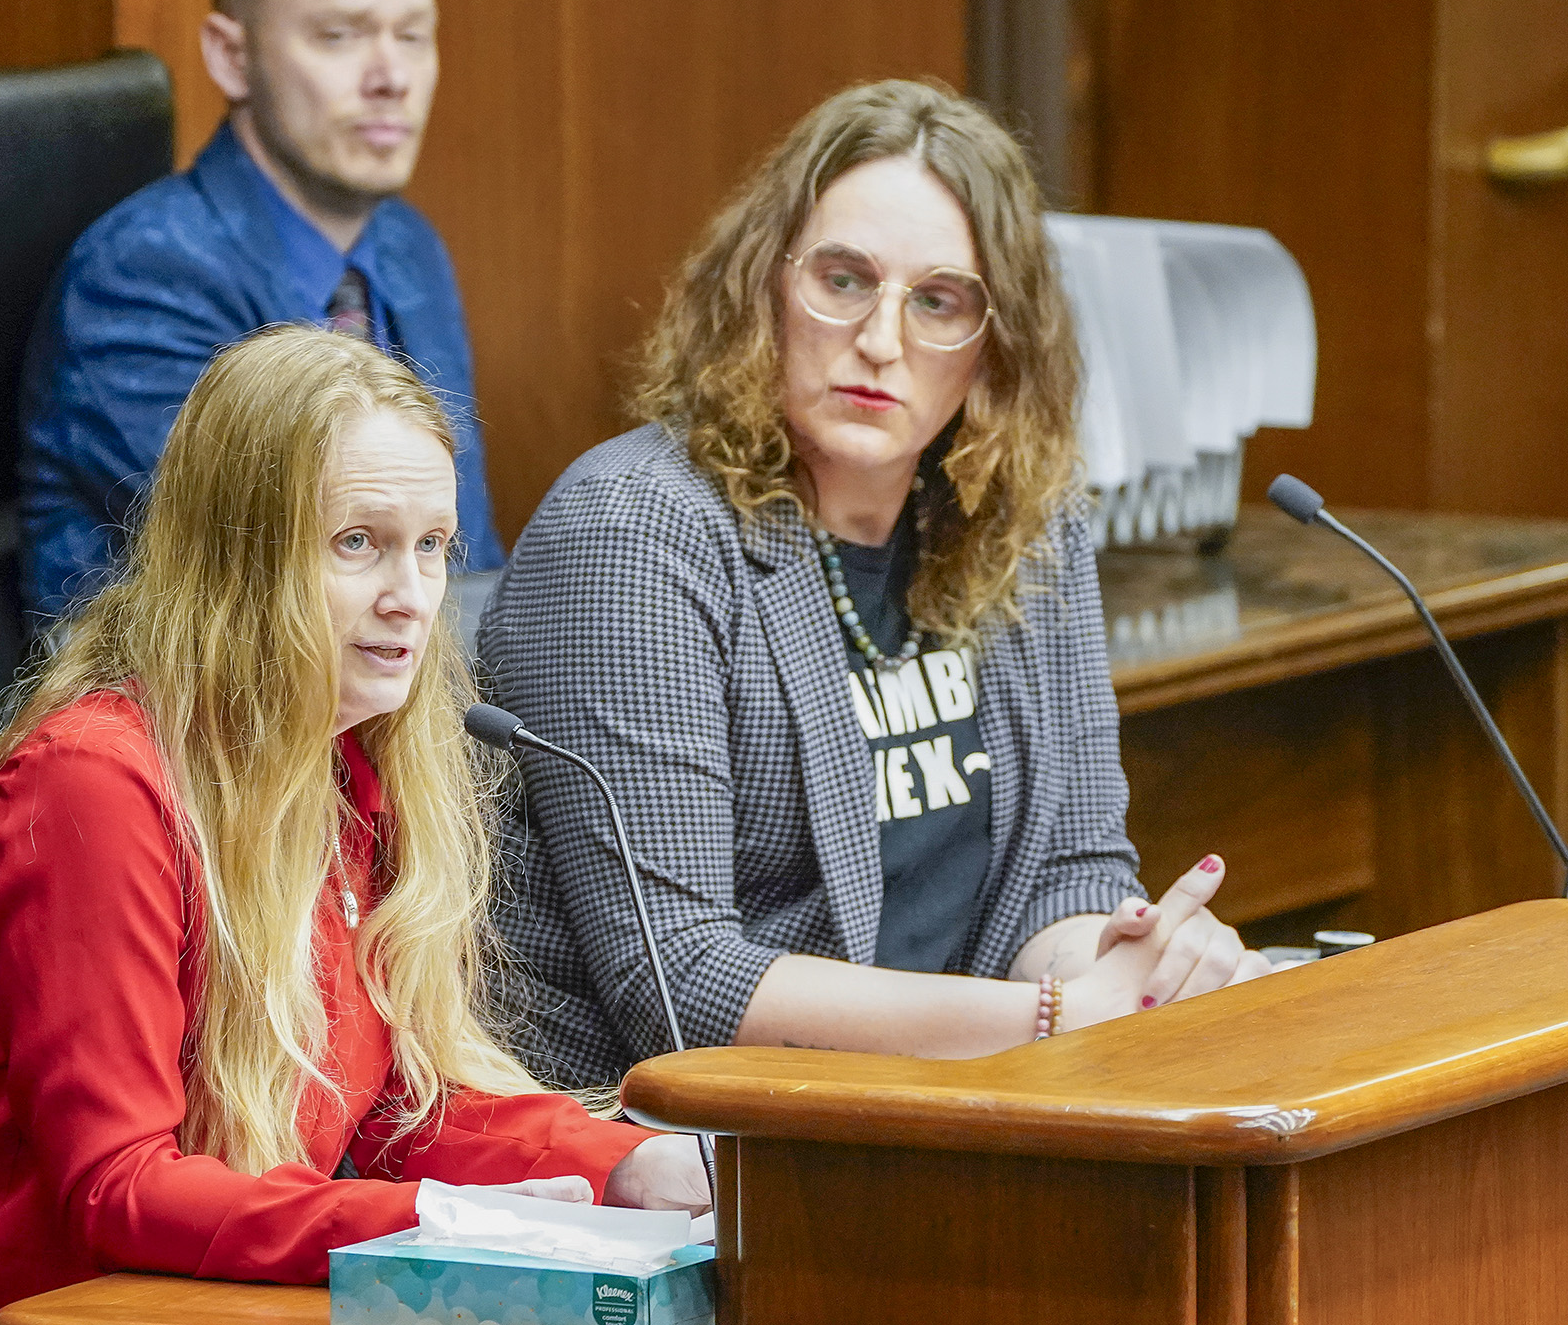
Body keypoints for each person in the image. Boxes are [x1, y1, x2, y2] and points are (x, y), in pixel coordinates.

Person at [0, 329, 704, 1325]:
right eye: (357, 543)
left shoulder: (350, 766)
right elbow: (119, 1187)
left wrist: (635, 1163)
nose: (411, 598)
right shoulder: (93, 786)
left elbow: (392, 1116)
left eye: (432, 548)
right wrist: (440, 1221)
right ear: (238, 559)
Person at [478, 80, 1274, 1090]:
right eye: (844, 280)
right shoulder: (635, 536)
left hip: (948, 1102)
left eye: (939, 301)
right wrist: (1048, 1017)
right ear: (763, 288)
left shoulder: (1029, 526)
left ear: (996, 350)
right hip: (657, 1147)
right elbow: (673, 981)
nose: (883, 341)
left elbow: (1069, 874)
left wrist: (1134, 974)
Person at [17, 0, 502, 624]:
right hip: (192, 721)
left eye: (412, 36)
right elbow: (284, 574)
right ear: (230, 56)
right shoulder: (144, 271)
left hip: (388, 708)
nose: (391, 78)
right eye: (339, 35)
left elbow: (464, 562)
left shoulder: (408, 249)